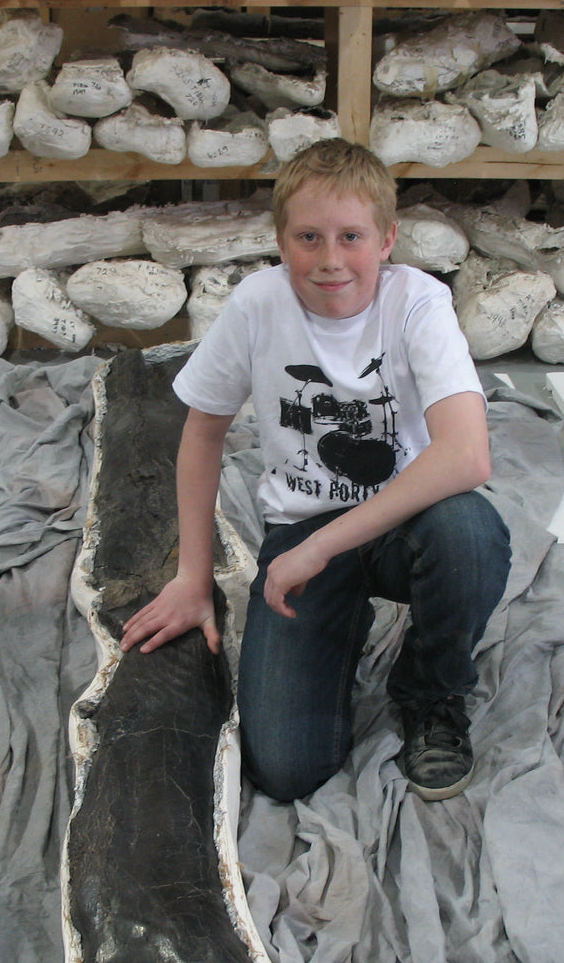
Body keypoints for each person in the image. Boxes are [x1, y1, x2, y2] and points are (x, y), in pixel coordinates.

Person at [119, 138, 511, 803]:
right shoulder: (257, 304)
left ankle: (432, 692)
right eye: (309, 237)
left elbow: (467, 455)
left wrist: (323, 547)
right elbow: (202, 432)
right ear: (281, 240)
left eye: (351, 237)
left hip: (408, 521)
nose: (331, 260)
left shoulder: (418, 302)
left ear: (387, 240)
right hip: (303, 530)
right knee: (285, 768)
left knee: (471, 535)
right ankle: (340, 625)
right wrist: (192, 576)